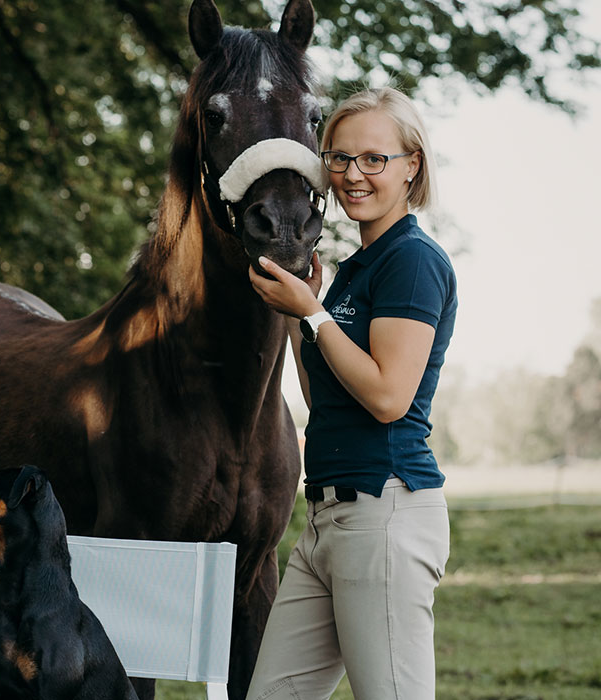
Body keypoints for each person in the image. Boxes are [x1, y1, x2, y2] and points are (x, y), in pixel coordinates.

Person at [246, 86, 457, 700]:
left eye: (374, 159)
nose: (351, 175)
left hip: (384, 512)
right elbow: (327, 398)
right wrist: (298, 315)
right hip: (325, 520)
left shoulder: (412, 261)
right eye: (337, 158)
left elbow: (389, 397)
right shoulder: (357, 268)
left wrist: (313, 312)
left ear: (411, 164)